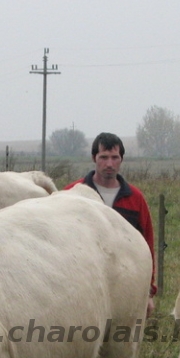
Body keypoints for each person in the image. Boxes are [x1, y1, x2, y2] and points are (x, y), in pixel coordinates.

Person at [65, 132, 157, 313]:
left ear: (121, 159)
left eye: (115, 158)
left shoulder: (135, 199)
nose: (109, 164)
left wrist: (148, 293)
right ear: (94, 158)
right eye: (104, 157)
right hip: (84, 282)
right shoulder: (71, 194)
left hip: (125, 281)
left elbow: (147, 244)